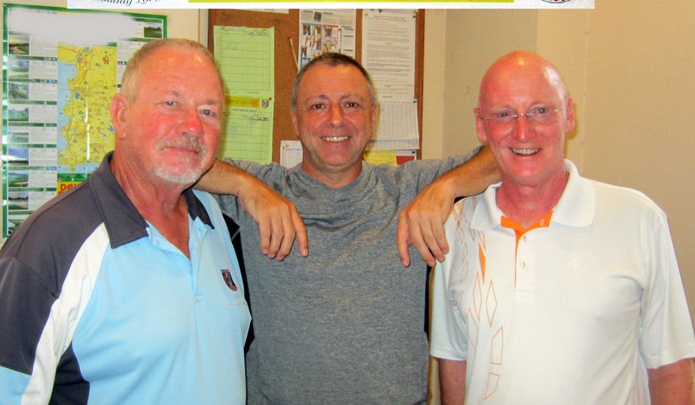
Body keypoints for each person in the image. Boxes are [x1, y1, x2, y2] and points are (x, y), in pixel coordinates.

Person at [196, 52, 499, 404]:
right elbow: (178, 162)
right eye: (318, 106)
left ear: (373, 118)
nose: (336, 120)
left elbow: (503, 154)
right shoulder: (263, 190)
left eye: (351, 104)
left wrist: (446, 188)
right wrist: (245, 187)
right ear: (296, 118)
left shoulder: (410, 187)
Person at [430, 50, 695, 404]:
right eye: (504, 114)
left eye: (541, 111)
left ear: (568, 115)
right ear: (481, 125)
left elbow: (671, 367)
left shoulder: (638, 220)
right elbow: (455, 367)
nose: (523, 131)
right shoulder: (456, 229)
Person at [0, 39, 252, 404]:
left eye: (209, 112)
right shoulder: (51, 245)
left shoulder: (214, 222)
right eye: (171, 103)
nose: (193, 126)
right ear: (121, 115)